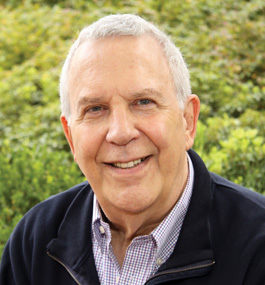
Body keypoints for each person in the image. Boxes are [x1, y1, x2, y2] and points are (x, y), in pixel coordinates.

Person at [1, 14, 265, 285]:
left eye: (143, 102)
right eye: (95, 109)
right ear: (70, 137)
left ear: (188, 121)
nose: (121, 132)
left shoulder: (257, 246)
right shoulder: (34, 243)